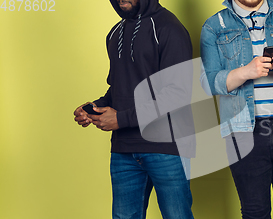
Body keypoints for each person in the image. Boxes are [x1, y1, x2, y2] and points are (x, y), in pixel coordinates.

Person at [73, 0, 194, 218]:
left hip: (167, 149)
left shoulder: (169, 28)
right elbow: (118, 88)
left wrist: (121, 119)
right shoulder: (115, 33)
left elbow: (178, 94)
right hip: (124, 149)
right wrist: (95, 107)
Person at [200, 0, 273, 218]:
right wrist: (245, 72)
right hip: (242, 132)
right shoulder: (214, 26)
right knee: (255, 212)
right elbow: (208, 82)